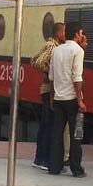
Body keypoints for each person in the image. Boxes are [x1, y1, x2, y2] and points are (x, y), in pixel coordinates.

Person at [49, 21, 87, 178]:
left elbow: (51, 77)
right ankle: (76, 168)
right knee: (75, 135)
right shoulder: (77, 50)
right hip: (72, 99)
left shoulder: (56, 50)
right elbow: (77, 77)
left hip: (58, 98)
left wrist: (52, 98)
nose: (82, 36)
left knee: (57, 134)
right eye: (81, 33)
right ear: (76, 34)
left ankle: (54, 167)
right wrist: (80, 100)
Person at [31, 22, 66, 171]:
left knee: (46, 125)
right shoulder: (53, 46)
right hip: (48, 90)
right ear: (58, 33)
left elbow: (33, 59)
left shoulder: (49, 45)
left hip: (45, 90)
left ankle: (40, 158)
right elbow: (38, 62)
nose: (65, 35)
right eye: (64, 32)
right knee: (49, 125)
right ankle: (44, 159)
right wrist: (50, 71)